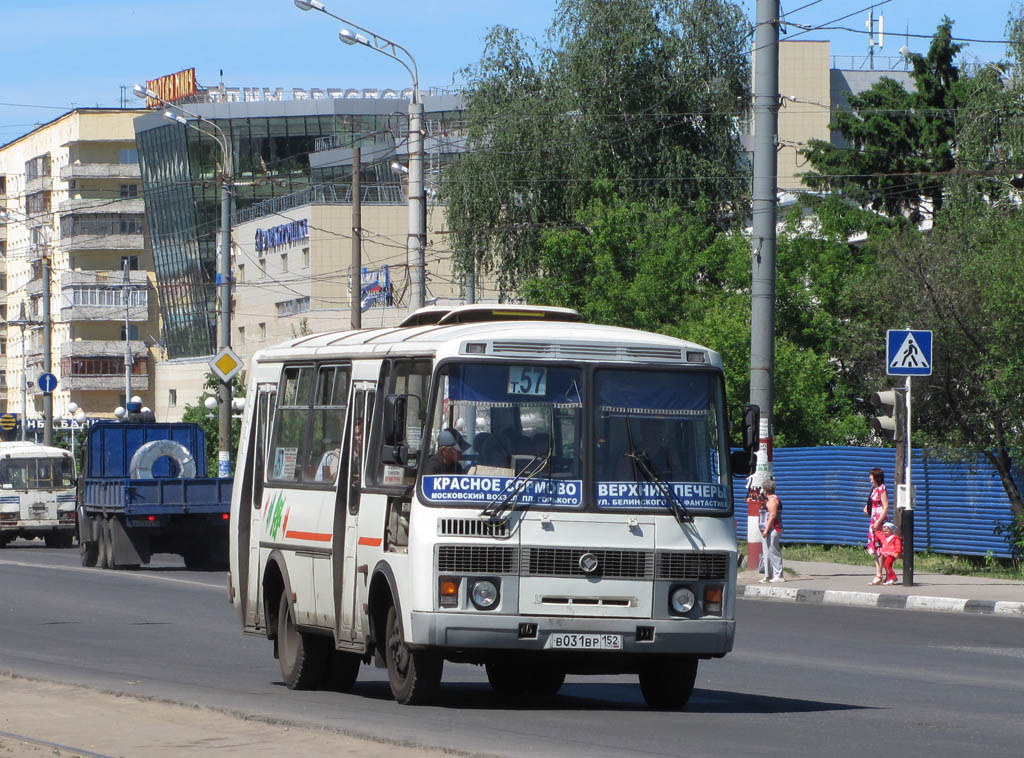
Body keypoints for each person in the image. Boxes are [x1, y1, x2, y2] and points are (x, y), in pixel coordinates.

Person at [865, 467, 889, 585]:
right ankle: (886, 574)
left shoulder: (882, 489)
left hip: (879, 521)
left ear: (876, 477)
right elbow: (872, 503)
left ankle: (879, 575)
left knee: (880, 548)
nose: (869, 477)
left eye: (871, 475)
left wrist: (878, 522)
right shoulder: (873, 489)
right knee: (876, 548)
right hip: (874, 519)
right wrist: (867, 509)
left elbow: (886, 507)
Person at [758, 478, 784, 583]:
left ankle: (779, 575)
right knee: (767, 552)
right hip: (768, 530)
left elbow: (772, 515)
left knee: (773, 550)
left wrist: (766, 530)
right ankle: (768, 575)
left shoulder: (773, 500)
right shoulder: (769, 500)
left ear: (766, 490)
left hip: (774, 529)